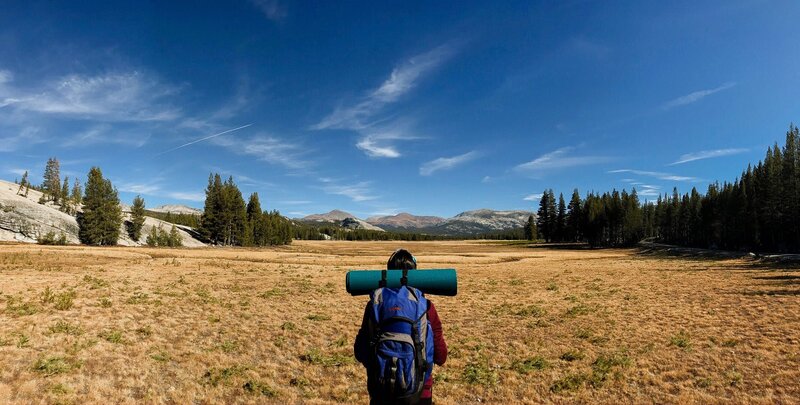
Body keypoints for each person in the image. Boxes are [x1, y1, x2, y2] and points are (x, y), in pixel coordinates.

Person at [354, 249, 448, 405]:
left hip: (381, 391)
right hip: (418, 393)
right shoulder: (426, 307)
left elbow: (360, 352)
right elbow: (440, 357)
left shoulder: (375, 305)